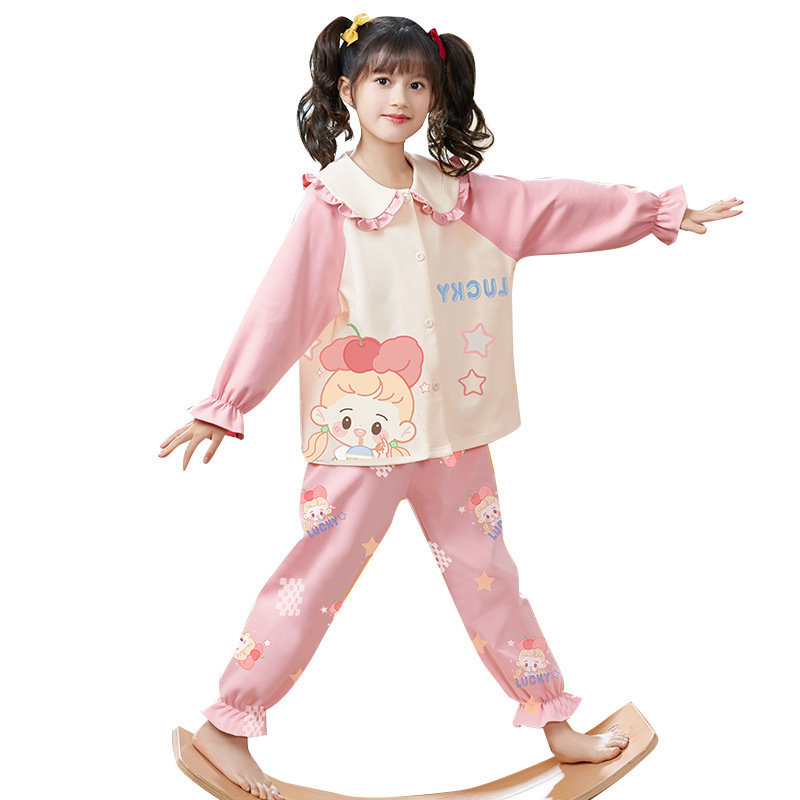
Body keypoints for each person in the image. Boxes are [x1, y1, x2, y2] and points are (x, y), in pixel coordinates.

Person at [158, 13, 742, 800]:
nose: (398, 97)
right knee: (313, 579)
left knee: (490, 578)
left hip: (455, 438)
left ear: (434, 95)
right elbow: (280, 309)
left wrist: (653, 214)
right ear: (347, 90)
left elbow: (557, 206)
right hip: (360, 442)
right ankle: (228, 726)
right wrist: (226, 403)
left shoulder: (462, 197)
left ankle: (553, 719)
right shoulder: (331, 205)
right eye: (381, 80)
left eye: (416, 82)